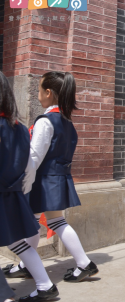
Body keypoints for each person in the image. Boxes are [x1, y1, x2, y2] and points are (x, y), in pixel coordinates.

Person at [4, 72, 99, 283]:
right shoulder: (66, 121)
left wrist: (24, 183)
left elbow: (34, 157)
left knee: (45, 222)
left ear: (48, 92)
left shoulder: (46, 121)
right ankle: (28, 265)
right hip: (56, 178)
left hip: (42, 180)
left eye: (38, 90)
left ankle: (84, 264)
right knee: (44, 221)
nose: (38, 95)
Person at [0, 72, 59, 301]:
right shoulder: (21, 128)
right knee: (19, 243)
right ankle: (45, 285)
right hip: (13, 194)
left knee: (19, 243)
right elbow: (26, 163)